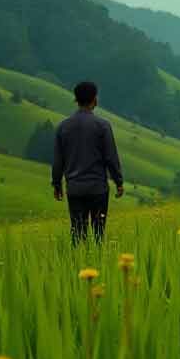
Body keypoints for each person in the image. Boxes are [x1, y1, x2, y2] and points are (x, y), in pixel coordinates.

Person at [52, 81, 124, 245]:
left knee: (77, 234)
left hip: (75, 189)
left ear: (76, 100)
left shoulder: (63, 127)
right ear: (95, 100)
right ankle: (98, 265)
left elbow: (58, 161)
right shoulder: (103, 126)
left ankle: (78, 266)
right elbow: (111, 157)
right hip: (98, 188)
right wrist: (118, 181)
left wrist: (57, 185)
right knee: (99, 233)